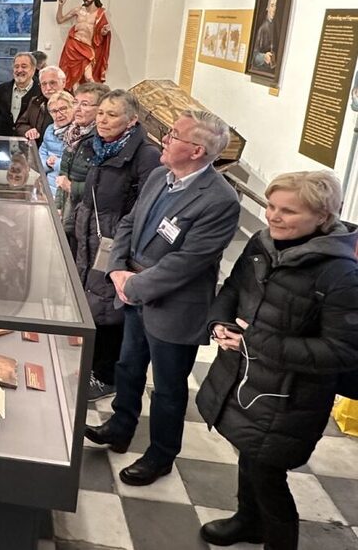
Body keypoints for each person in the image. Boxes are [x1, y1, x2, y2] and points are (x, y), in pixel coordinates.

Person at [195, 171, 358, 550]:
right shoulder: (262, 243)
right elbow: (233, 288)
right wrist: (218, 322)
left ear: (322, 216)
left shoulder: (341, 274)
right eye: (270, 206)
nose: (273, 216)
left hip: (289, 397)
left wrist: (254, 341)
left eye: (288, 211)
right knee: (248, 454)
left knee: (267, 476)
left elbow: (342, 352)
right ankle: (247, 521)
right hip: (245, 378)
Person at [84, 110, 240, 487]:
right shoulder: (159, 176)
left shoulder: (220, 200)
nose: (164, 140)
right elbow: (128, 224)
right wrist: (116, 269)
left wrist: (132, 286)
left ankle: (161, 455)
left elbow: (186, 263)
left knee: (169, 388)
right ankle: (120, 426)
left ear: (197, 150)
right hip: (133, 290)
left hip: (174, 307)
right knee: (127, 367)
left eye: (173, 135)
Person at [71, 91, 160, 401]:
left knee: (111, 308)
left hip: (116, 241)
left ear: (131, 120)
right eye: (101, 113)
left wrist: (123, 245)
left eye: (112, 114)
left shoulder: (146, 155)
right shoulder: (98, 146)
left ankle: (107, 376)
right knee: (94, 301)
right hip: (92, 236)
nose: (103, 119)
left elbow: (144, 208)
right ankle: (92, 366)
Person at [56, 82, 110, 234]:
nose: (77, 109)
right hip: (69, 209)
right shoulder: (73, 132)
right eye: (75, 102)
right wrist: (58, 206)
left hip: (88, 217)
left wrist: (71, 187)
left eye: (84, 104)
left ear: (100, 109)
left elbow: (104, 186)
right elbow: (63, 174)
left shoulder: (103, 139)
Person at [57, 0, 112, 90]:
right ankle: (75, 98)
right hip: (73, 45)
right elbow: (60, 20)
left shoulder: (99, 14)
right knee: (74, 79)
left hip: (86, 48)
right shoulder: (78, 10)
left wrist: (104, 32)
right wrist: (60, 6)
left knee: (89, 77)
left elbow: (100, 33)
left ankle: (98, 95)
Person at [0, 51, 43, 137]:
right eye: (16, 66)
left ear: (33, 69)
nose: (19, 70)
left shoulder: (40, 91)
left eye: (24, 66)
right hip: (3, 141)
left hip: (28, 141)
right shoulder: (2, 89)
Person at [37, 90, 75, 193]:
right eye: (54, 111)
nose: (59, 115)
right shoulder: (49, 130)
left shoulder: (80, 131)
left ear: (73, 107)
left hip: (70, 190)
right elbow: (39, 160)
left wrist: (56, 163)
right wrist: (47, 163)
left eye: (63, 109)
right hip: (49, 189)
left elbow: (78, 166)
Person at [18, 65, 67, 139]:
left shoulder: (74, 104)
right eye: (44, 84)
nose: (48, 88)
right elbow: (20, 124)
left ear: (63, 82)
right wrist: (28, 130)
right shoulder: (35, 102)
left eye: (52, 83)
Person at [249, 0, 279, 72]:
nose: (274, 9)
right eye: (272, 5)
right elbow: (253, 56)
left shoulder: (275, 26)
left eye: (275, 6)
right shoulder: (262, 29)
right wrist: (263, 57)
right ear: (267, 8)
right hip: (262, 70)